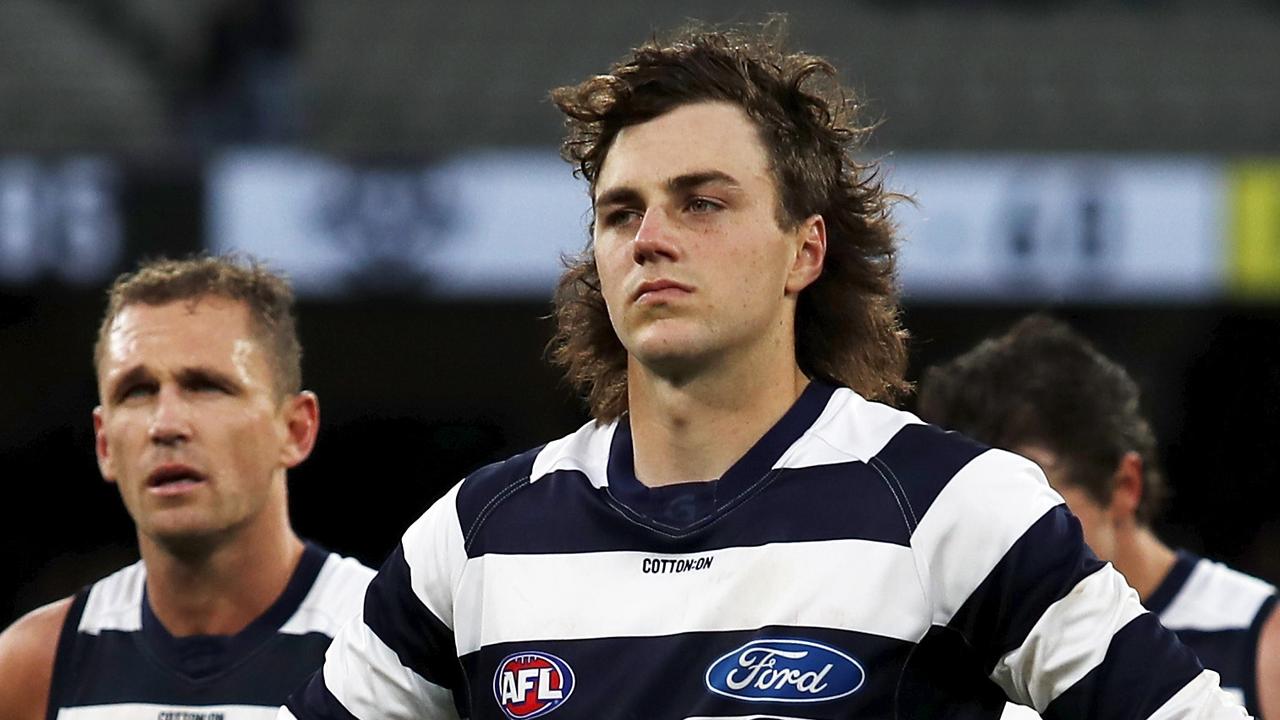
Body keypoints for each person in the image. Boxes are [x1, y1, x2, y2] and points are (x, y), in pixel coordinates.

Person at [284, 24, 1248, 719]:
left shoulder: (957, 508)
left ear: (805, 250)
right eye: (620, 213)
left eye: (702, 202)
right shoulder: (476, 533)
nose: (650, 238)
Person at [0, 256, 375, 720]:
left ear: (295, 429)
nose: (165, 424)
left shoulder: (392, 644)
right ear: (104, 444)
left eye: (205, 386)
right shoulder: (31, 668)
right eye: (136, 391)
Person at [917, 314, 1279, 719]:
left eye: (1033, 501)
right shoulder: (939, 642)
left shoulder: (1263, 637)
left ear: (1124, 485)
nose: (1003, 536)